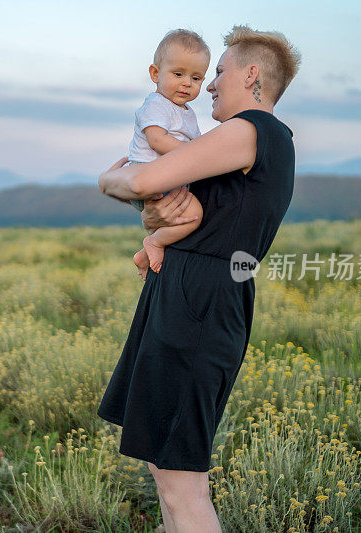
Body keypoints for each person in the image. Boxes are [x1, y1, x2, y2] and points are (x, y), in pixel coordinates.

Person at [96, 25, 301, 533]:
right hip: (192, 295)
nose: (208, 85)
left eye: (221, 72)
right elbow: (162, 208)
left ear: (252, 75)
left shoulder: (251, 129)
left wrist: (106, 180)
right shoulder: (240, 144)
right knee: (163, 464)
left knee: (179, 478)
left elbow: (141, 180)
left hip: (200, 303)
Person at [126, 29, 209, 280]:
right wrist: (195, 156)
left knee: (172, 219)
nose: (187, 83)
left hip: (164, 178)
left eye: (196, 78)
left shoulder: (186, 112)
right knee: (193, 215)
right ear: (155, 74)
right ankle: (154, 244)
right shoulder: (156, 104)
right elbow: (157, 140)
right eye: (178, 74)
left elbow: (199, 142)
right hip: (150, 174)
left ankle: (144, 254)